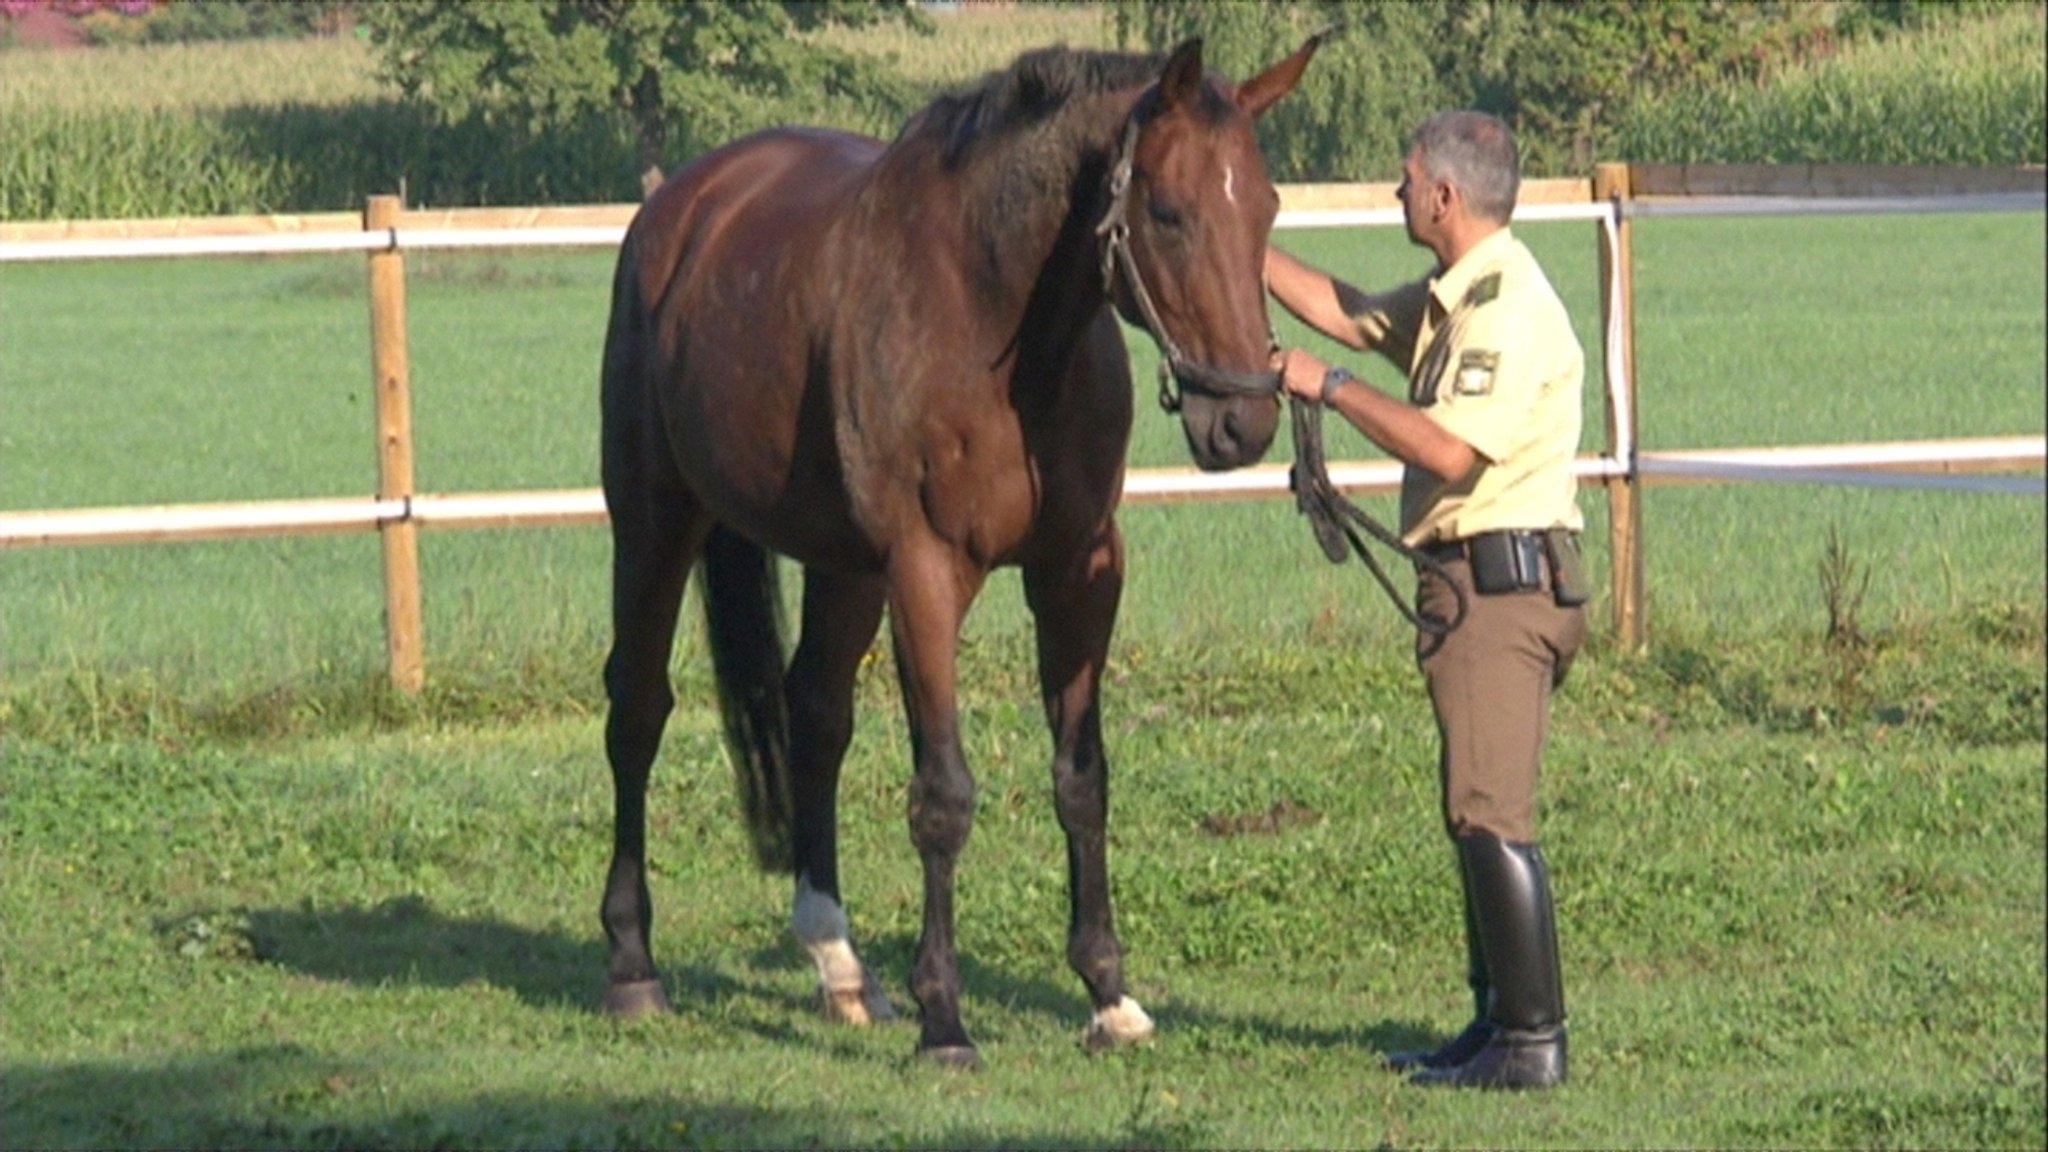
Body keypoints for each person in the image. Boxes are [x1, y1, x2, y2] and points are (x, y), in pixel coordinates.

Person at [1265, 110, 1588, 1091]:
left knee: (1488, 810)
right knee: (1470, 807)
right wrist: (1234, 244)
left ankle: (1530, 1041)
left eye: (1405, 180)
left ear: (1443, 197)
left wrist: (1327, 390)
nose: (1396, 191)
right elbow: (1350, 309)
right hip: (1474, 583)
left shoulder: (1504, 311)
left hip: (1499, 588)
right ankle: (1494, 1023)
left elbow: (1447, 449)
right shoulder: (1457, 295)